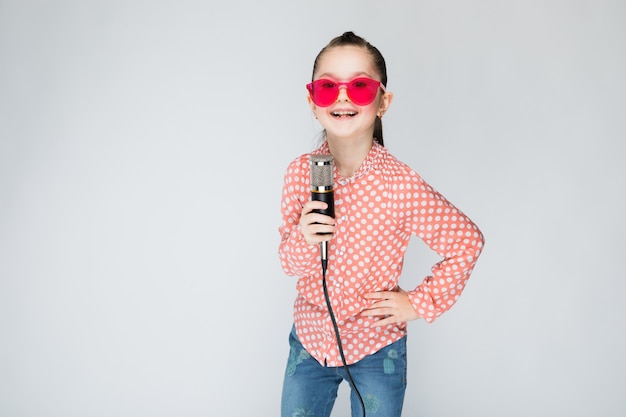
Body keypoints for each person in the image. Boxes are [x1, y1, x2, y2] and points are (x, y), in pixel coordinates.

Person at [278, 31, 484, 417]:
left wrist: (418, 303)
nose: (342, 97)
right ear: (312, 102)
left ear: (382, 101)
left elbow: (466, 242)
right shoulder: (298, 175)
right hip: (310, 340)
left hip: (376, 348)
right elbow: (288, 264)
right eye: (327, 87)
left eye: (358, 86)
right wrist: (306, 237)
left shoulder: (400, 184)